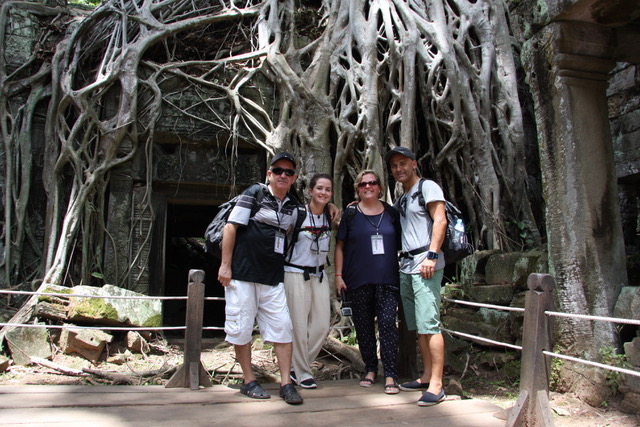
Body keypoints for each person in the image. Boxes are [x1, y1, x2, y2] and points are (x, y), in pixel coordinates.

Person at [217, 151, 304, 405]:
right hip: (242, 275)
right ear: (269, 173)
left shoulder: (294, 206)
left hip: (273, 278)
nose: (283, 175)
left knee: (283, 329)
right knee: (241, 328)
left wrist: (333, 207)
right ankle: (248, 380)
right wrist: (225, 265)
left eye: (288, 172)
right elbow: (230, 227)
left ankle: (286, 383)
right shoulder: (254, 194)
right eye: (278, 170)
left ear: (294, 177)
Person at [384, 146, 448, 406]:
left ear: (414, 163)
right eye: (394, 166)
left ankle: (437, 384)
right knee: (419, 326)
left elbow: (440, 220)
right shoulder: (403, 197)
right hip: (408, 265)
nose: (398, 169)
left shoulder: (428, 187)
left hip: (425, 263)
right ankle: (425, 375)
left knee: (430, 324)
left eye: (402, 163)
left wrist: (432, 255)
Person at [334, 169, 402, 395]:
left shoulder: (392, 213)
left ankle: (391, 373)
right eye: (363, 184)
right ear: (358, 189)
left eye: (372, 183)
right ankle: (371, 369)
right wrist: (338, 275)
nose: (368, 187)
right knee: (363, 328)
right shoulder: (351, 214)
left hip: (388, 280)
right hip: (358, 280)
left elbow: (401, 243)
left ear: (380, 187)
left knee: (387, 326)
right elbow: (340, 246)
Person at [284, 173, 336, 389]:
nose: (323, 192)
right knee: (298, 325)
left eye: (328, 190)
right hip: (295, 273)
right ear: (310, 191)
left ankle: (298, 367)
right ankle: (303, 372)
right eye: (320, 188)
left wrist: (333, 206)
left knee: (322, 325)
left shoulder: (330, 216)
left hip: (319, 274)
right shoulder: (297, 214)